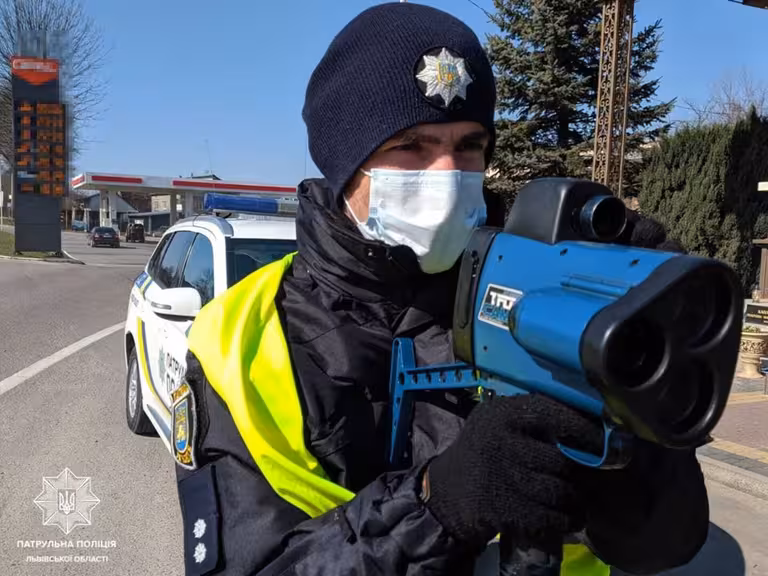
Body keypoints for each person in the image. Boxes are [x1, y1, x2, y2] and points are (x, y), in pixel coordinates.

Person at [172, 3, 709, 575]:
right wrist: (437, 506)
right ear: (345, 166)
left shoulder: (543, 297)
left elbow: (664, 540)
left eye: (470, 145)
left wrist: (649, 364)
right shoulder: (242, 337)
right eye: (412, 146)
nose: (449, 173)